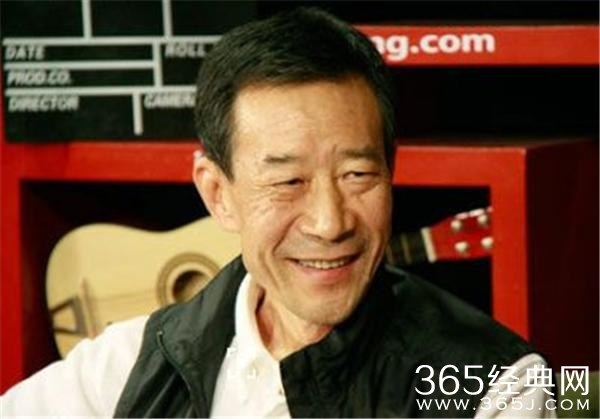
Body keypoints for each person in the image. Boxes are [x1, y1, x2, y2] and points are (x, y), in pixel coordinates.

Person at [2, 8, 555, 418]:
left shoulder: (495, 387)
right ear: (218, 194)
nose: (329, 222)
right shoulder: (129, 365)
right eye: (289, 181)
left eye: (357, 175)